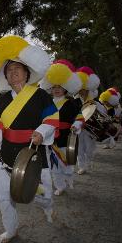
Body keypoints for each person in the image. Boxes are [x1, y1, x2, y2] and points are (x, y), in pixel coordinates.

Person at [0, 35, 59, 243]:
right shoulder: (2, 100)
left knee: (41, 194)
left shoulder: (41, 95)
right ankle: (11, 229)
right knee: (3, 196)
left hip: (33, 154)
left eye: (17, 68)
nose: (13, 72)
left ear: (27, 72)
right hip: (6, 154)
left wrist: (42, 132)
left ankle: (47, 205)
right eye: (8, 70)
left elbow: (52, 118)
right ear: (5, 77)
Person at [39, 59, 84, 195]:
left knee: (67, 166)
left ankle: (68, 179)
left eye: (59, 87)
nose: (57, 89)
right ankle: (60, 186)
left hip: (66, 138)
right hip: (50, 139)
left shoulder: (71, 103)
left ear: (65, 88)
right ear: (50, 88)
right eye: (54, 87)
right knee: (53, 166)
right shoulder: (47, 104)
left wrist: (76, 125)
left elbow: (80, 117)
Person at [74, 66, 101, 175]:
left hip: (91, 129)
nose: (82, 91)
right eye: (80, 89)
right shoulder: (74, 102)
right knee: (79, 148)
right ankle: (82, 166)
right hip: (79, 129)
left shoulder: (95, 103)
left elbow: (100, 116)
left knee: (90, 148)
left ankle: (88, 162)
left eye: (84, 89)